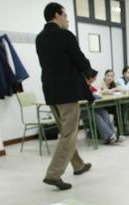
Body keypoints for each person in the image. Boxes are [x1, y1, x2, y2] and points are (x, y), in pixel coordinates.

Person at [35, 3, 92, 190]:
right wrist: (89, 71)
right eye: (65, 15)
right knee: (69, 133)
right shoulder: (65, 35)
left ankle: (78, 165)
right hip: (67, 92)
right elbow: (79, 58)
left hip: (51, 92)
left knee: (67, 132)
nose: (67, 20)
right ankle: (53, 173)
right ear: (57, 15)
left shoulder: (40, 38)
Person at [84, 69, 120, 145]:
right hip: (83, 109)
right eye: (94, 78)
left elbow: (97, 91)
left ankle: (112, 135)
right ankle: (109, 137)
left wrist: (97, 93)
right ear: (90, 77)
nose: (95, 79)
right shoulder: (82, 85)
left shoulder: (90, 86)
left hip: (91, 107)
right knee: (96, 116)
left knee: (104, 112)